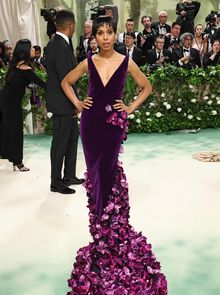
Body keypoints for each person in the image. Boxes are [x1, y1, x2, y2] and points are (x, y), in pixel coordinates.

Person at [61, 16, 167, 294]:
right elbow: (66, 82)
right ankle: (102, 235)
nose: (105, 37)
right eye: (100, 33)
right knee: (95, 176)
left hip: (112, 126)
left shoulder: (126, 61)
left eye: (109, 32)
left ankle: (112, 233)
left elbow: (147, 87)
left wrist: (129, 108)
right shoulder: (88, 61)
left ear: (115, 34)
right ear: (94, 36)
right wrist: (79, 104)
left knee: (108, 172)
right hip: (91, 124)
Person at [0, 39, 46, 171]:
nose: (33, 50)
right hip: (11, 102)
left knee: (8, 127)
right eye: (31, 48)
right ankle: (17, 162)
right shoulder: (25, 68)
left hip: (7, 99)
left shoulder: (16, 65)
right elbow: (42, 83)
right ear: (25, 51)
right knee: (16, 131)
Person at [45, 10, 84, 195]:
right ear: (71, 26)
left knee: (71, 138)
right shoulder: (58, 45)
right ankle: (56, 182)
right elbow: (65, 79)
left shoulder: (58, 43)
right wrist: (76, 103)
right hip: (62, 104)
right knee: (60, 143)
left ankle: (69, 175)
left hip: (66, 102)